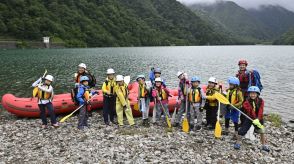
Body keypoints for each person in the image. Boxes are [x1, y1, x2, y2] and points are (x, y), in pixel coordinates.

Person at [234, 86, 270, 152]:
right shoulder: (246, 102)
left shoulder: (261, 101)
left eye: (254, 93)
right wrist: (254, 118)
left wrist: (258, 119)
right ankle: (238, 142)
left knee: (262, 131)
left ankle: (264, 145)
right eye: (251, 93)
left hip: (259, 118)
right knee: (242, 130)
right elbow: (251, 111)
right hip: (249, 117)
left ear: (257, 94)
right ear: (249, 94)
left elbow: (261, 110)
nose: (252, 95)